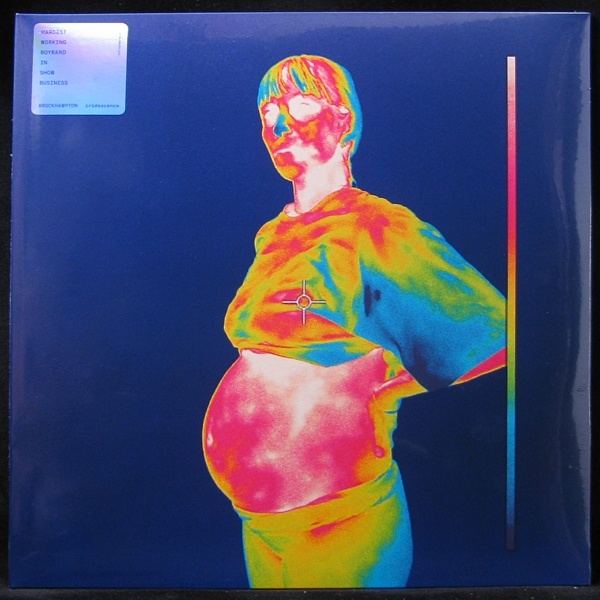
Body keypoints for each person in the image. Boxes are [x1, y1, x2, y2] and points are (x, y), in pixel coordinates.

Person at [202, 55, 506, 588]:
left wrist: (386, 387)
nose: (279, 125)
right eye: (268, 115)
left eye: (299, 106)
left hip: (338, 520)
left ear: (342, 119)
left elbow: (498, 336)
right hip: (261, 523)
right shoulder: (274, 233)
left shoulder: (378, 226)